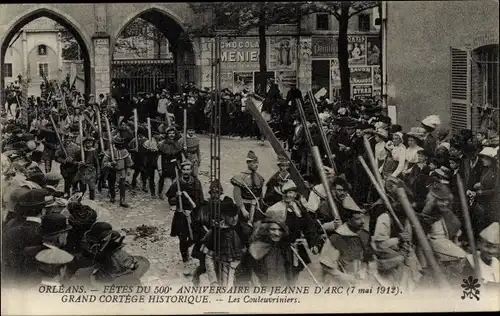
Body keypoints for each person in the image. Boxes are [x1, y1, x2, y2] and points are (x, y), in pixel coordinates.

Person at [265, 180, 322, 284]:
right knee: (280, 273)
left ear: (295, 194)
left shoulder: (299, 208)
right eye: (285, 192)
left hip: (295, 247)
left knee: (295, 273)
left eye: (290, 192)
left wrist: (313, 242)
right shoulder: (275, 209)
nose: (288, 195)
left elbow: (308, 225)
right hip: (280, 247)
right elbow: (269, 231)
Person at [166, 160, 204, 275]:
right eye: (184, 170)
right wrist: (176, 197)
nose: (186, 172)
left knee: (196, 237)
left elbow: (201, 200)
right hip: (181, 214)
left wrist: (200, 213)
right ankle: (185, 261)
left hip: (193, 214)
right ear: (181, 171)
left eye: (188, 169)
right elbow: (170, 201)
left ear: (191, 170)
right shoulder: (177, 183)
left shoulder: (197, 183)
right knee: (182, 239)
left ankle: (196, 256)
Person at [319, 207, 374, 286]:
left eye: (363, 217)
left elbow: (367, 257)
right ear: (348, 220)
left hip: (360, 279)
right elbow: (326, 266)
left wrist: (363, 269)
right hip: (339, 281)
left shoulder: (364, 234)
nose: (363, 221)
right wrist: (346, 277)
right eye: (357, 219)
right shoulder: (336, 237)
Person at [200, 196, 246, 286]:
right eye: (230, 216)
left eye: (235, 215)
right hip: (223, 270)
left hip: (241, 271)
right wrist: (213, 281)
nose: (234, 218)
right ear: (222, 216)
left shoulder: (243, 229)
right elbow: (209, 258)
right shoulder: (215, 232)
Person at [234, 219, 294, 286]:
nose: (277, 233)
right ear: (266, 230)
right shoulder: (256, 248)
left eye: (280, 230)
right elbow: (240, 274)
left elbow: (289, 271)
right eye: (273, 229)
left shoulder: (284, 248)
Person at [230, 150, 266, 243]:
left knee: (257, 231)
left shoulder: (260, 177)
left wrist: (261, 207)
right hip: (245, 207)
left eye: (257, 162)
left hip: (257, 208)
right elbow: (237, 196)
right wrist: (243, 209)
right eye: (254, 163)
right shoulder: (240, 178)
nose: (256, 165)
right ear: (248, 163)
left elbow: (260, 196)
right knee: (244, 231)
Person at [462, 222, 499, 288]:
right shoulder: (470, 261)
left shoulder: (497, 263)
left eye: (494, 247)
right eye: (487, 246)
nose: (491, 251)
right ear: (479, 244)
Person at [103, 136, 133, 207]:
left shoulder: (124, 151)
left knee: (122, 185)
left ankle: (122, 200)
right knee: (111, 185)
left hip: (121, 171)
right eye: (118, 144)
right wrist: (110, 163)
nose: (120, 145)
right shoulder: (110, 151)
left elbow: (128, 162)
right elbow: (104, 162)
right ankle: (112, 196)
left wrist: (128, 169)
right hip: (112, 171)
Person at [158, 126, 183, 199]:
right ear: (167, 134)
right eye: (170, 133)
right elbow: (159, 157)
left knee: (175, 181)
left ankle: (173, 196)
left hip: (174, 165)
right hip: (165, 164)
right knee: (164, 180)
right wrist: (160, 168)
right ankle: (161, 193)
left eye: (173, 133)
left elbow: (180, 156)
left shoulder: (177, 144)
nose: (171, 135)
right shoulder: (161, 144)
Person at [55, 132, 80, 198]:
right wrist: (63, 160)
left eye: (69, 139)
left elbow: (79, 156)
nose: (68, 141)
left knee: (74, 179)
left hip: (73, 166)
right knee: (66, 180)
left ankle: (75, 190)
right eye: (66, 139)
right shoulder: (60, 146)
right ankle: (66, 192)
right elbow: (56, 157)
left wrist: (74, 160)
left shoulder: (76, 147)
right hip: (65, 166)